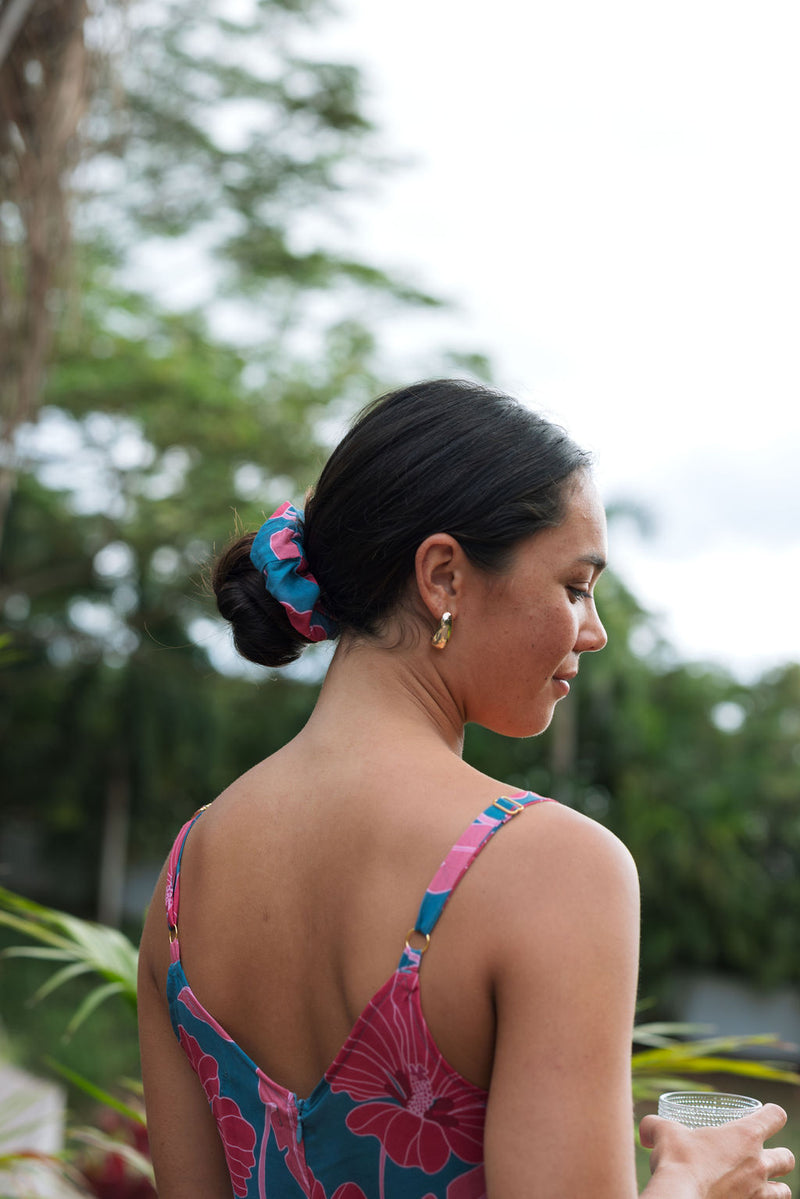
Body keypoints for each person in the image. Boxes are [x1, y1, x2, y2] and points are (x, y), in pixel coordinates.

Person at [138, 379, 794, 1199]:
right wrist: (699, 1186)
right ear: (443, 576)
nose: (591, 631)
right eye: (575, 586)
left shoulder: (183, 874)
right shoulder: (550, 866)